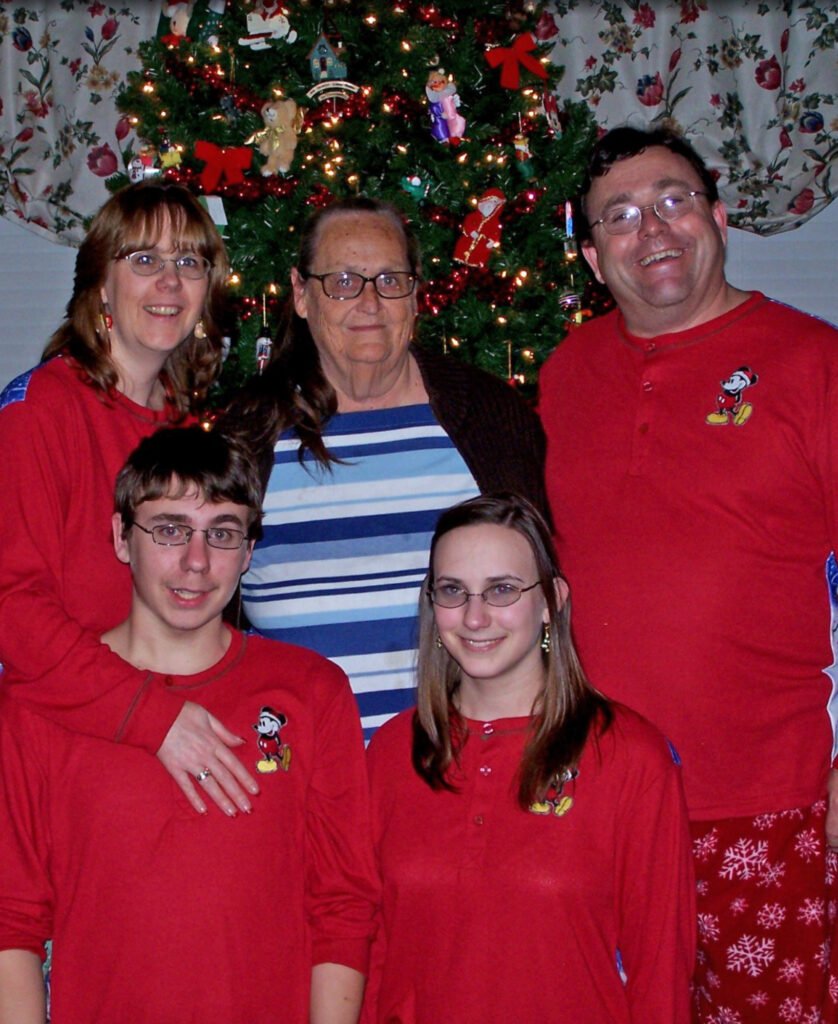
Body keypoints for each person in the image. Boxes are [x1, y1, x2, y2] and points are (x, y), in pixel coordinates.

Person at [538, 125, 838, 1022]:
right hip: (596, 802)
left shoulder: (815, 364)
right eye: (620, 217)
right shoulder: (563, 374)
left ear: (715, 214)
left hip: (768, 802)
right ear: (592, 257)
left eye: (673, 200)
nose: (653, 230)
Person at [0, 426, 378, 1023]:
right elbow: (10, 923)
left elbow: (342, 905)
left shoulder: (311, 693)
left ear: (249, 552)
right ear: (122, 537)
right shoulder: (40, 708)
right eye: (171, 530)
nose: (197, 562)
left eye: (222, 534)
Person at [221, 197, 547, 741]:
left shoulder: (490, 420)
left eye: (390, 280)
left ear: (416, 295)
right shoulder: (247, 434)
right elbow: (205, 614)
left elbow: (543, 603)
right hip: (298, 777)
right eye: (344, 281)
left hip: (465, 775)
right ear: (302, 295)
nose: (369, 302)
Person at [362, 492, 694, 1024]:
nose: (474, 616)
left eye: (502, 589)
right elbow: (371, 951)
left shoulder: (631, 758)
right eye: (452, 591)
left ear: (551, 600)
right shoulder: (392, 752)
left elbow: (661, 969)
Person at [0, 180, 260, 818]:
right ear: (100, 286)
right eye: (144, 260)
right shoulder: (40, 411)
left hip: (166, 737)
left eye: (188, 262)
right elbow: (12, 609)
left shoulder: (191, 430)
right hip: (59, 748)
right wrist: (151, 717)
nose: (169, 282)